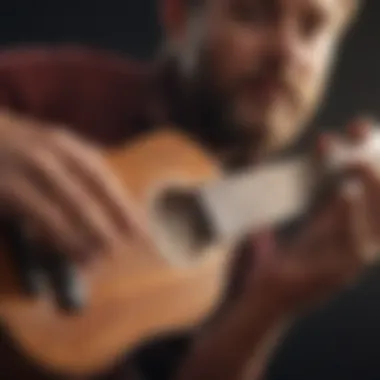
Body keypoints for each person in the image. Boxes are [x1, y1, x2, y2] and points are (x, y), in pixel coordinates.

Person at [0, 0, 374, 379]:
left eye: (313, 28)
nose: (287, 52)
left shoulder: (253, 259)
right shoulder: (61, 90)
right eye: (253, 14)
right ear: (178, 15)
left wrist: (272, 300)